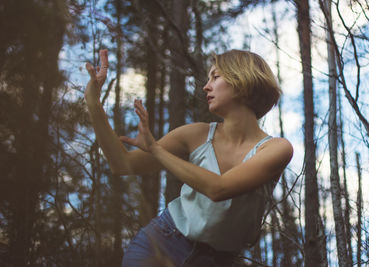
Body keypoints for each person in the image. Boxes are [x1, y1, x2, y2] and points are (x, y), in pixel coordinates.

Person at [85, 49, 293, 267]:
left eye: (216, 76)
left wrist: (156, 149)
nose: (206, 86)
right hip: (161, 244)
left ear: (242, 80)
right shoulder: (195, 134)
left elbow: (218, 189)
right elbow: (122, 164)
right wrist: (93, 103)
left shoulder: (276, 149)